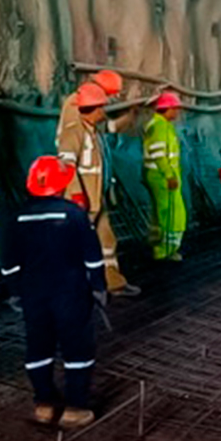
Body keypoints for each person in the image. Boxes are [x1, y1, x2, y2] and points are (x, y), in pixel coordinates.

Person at [1, 156, 107, 429]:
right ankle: (75, 407)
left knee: (38, 347)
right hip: (70, 292)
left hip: (33, 294)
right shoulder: (73, 214)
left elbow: (9, 263)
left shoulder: (17, 217)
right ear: (62, 184)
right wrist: (98, 287)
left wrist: (14, 291)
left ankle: (44, 405)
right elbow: (93, 257)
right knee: (76, 348)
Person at [57, 83, 140, 296]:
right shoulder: (72, 133)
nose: (103, 112)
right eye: (100, 108)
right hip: (82, 201)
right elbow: (66, 167)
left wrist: (130, 116)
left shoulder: (92, 131)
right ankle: (71, 288)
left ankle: (113, 283)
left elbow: (111, 128)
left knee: (107, 240)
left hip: (96, 198)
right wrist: (76, 196)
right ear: (91, 109)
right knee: (74, 246)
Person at [143, 92, 185, 261]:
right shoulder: (160, 126)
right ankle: (165, 250)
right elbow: (159, 154)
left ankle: (164, 248)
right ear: (167, 109)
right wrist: (169, 175)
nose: (177, 113)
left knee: (164, 212)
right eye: (175, 109)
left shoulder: (160, 124)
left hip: (161, 176)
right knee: (170, 214)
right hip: (162, 177)